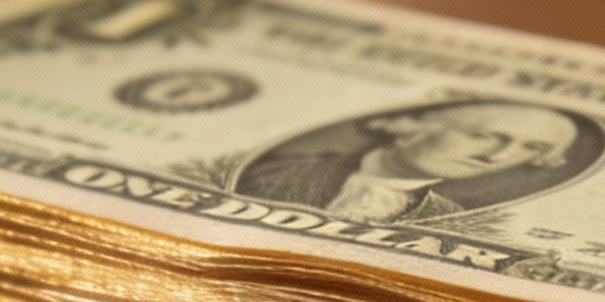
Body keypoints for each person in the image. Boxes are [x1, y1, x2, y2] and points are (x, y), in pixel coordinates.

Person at [234, 101, 581, 222]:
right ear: (412, 128)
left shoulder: (450, 219)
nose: (497, 157)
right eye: (483, 135)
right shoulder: (267, 173)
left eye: (530, 149)